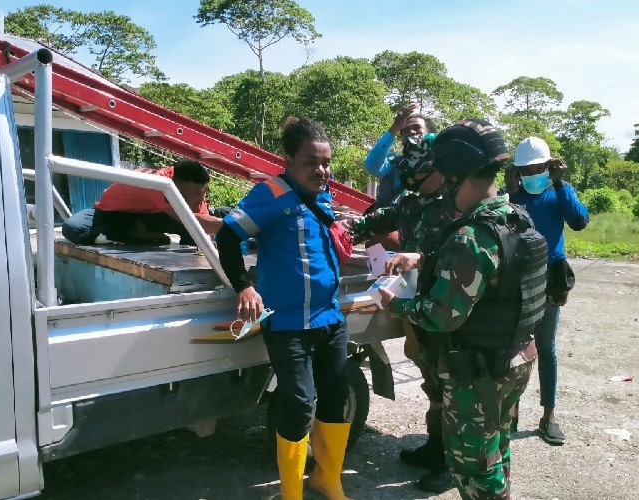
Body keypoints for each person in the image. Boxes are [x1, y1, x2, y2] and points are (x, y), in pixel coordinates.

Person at [378, 118, 549, 499]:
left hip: (480, 373)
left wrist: (399, 304)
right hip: (515, 360)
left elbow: (441, 315)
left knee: (475, 470)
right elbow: (492, 277)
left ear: (455, 176)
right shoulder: (515, 218)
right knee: (498, 451)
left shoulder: (472, 236)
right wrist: (423, 258)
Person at [215, 117, 353, 500]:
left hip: (330, 318)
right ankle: (292, 493)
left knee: (338, 396)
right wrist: (243, 285)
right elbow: (228, 235)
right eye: (311, 162)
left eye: (326, 162)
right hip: (288, 322)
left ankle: (328, 479)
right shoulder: (271, 194)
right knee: (297, 403)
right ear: (289, 160)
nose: (322, 170)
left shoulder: (321, 195)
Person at [349, 133, 456, 493]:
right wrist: (339, 228)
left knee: (452, 384)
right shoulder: (411, 203)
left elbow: (465, 257)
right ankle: (434, 446)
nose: (410, 181)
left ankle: (451, 463)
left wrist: (422, 259)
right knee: (432, 380)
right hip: (417, 304)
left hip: (450, 307)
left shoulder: (459, 205)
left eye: (417, 174)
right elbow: (375, 220)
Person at [503, 136, 590, 446]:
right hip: (517, 277)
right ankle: (510, 410)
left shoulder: (558, 192)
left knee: (546, 347)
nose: (533, 174)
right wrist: (509, 191)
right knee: (514, 345)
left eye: (540, 168)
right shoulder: (510, 196)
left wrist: (562, 183)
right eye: (526, 169)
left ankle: (548, 415)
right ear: (517, 171)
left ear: (550, 167)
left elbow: (579, 221)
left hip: (550, 276)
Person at [61, 159, 224, 246]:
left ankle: (143, 234)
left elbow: (202, 221)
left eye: (203, 192)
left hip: (154, 216)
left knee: (197, 235)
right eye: (197, 193)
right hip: (112, 214)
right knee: (73, 228)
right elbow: (191, 220)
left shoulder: (195, 187)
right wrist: (230, 226)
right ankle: (135, 234)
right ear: (178, 185)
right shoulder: (157, 184)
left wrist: (209, 241)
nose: (200, 198)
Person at [363, 103, 437, 215]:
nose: (411, 132)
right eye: (406, 130)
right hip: (389, 225)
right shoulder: (394, 162)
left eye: (417, 127)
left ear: (430, 134)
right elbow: (372, 166)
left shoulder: (440, 166)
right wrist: (394, 128)